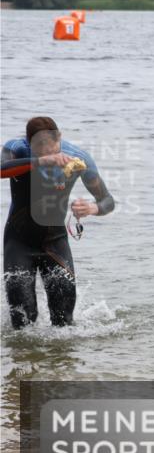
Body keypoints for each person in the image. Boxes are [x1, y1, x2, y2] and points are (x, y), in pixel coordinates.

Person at [2, 117, 115, 328]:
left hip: (55, 243)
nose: (46, 150)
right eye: (39, 146)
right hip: (18, 243)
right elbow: (1, 170)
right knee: (22, 323)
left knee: (64, 322)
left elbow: (108, 202)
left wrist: (92, 208)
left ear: (59, 137)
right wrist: (41, 161)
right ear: (28, 142)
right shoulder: (16, 149)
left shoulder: (79, 158)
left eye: (51, 144)